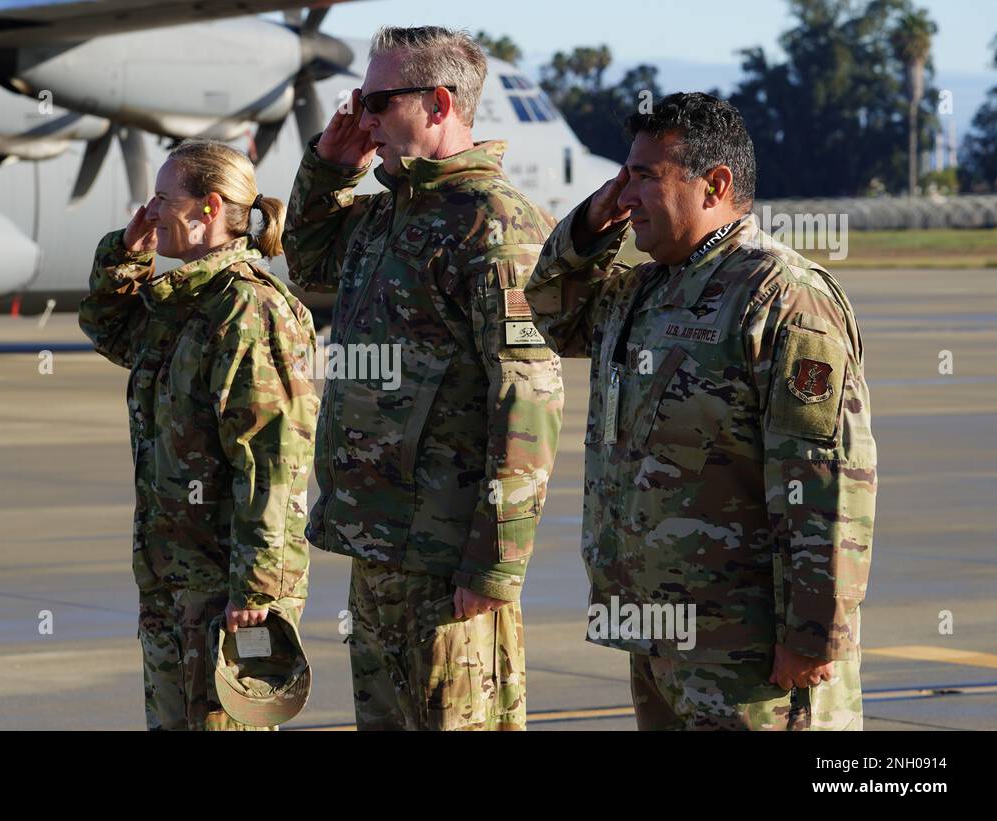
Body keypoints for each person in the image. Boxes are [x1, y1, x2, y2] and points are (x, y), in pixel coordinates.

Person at [525, 92, 876, 730]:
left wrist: (812, 632)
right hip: (655, 631)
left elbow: (826, 481)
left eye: (646, 177)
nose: (627, 195)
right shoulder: (642, 289)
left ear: (715, 185)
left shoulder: (782, 297)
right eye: (624, 176)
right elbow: (553, 312)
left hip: (749, 654)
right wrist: (588, 226)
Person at [282, 25, 564, 731]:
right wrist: (328, 165)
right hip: (380, 546)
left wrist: (495, 564)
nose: (362, 115)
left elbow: (527, 399)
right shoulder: (384, 216)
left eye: (377, 98)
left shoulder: (496, 227)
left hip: (448, 560)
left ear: (439, 102)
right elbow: (308, 261)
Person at [79, 140, 319, 731]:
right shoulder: (186, 303)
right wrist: (125, 256)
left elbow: (273, 462)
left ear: (209, 207)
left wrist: (260, 588)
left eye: (165, 199)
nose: (153, 211)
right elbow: (114, 332)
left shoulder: (250, 313)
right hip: (174, 581)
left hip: (225, 593)